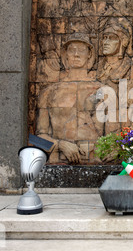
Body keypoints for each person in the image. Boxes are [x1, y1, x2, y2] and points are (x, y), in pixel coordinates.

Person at [37, 34, 103, 164]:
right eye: (72, 50)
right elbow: (38, 138)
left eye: (82, 50)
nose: (76, 54)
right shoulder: (49, 92)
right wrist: (59, 145)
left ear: (89, 54)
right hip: (58, 163)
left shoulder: (102, 91)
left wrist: (95, 148)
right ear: (65, 54)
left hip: (95, 162)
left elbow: (116, 137)